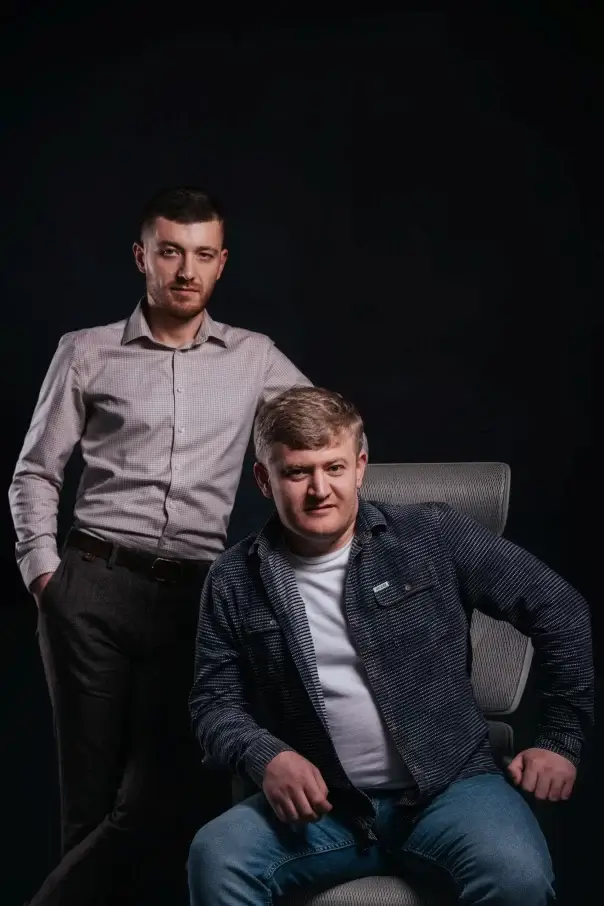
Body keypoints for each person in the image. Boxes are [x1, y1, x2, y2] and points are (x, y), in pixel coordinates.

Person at [8, 187, 314, 906]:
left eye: (203, 255)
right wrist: (46, 577)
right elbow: (35, 471)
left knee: (172, 798)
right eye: (171, 252)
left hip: (198, 602)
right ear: (142, 257)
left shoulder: (254, 358)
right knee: (89, 797)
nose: (186, 270)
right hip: (93, 585)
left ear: (221, 264)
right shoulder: (86, 352)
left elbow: (328, 431)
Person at [188, 386, 594, 906]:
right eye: (297, 472)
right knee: (216, 857)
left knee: (516, 876)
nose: (319, 489)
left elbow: (560, 608)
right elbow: (213, 703)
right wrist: (267, 756)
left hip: (452, 789)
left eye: (334, 468)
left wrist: (560, 739)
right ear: (264, 480)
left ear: (360, 466)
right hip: (324, 810)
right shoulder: (233, 579)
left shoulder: (431, 535)